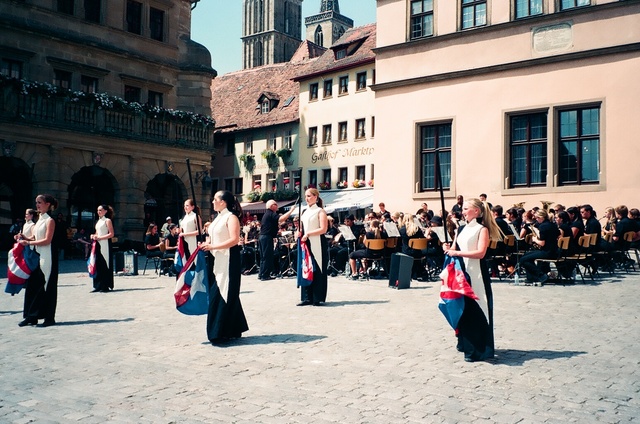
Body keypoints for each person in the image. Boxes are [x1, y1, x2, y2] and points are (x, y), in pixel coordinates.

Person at [442, 198, 502, 362]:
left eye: (466, 208)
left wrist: (457, 253)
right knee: (463, 306)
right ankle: (465, 343)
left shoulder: (482, 229)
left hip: (476, 273)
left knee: (478, 305)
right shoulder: (460, 229)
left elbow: (481, 253)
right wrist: (448, 249)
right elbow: (454, 248)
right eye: (463, 209)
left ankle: (480, 348)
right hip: (461, 272)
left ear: (476, 211)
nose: (463, 211)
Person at [200, 190, 249, 343]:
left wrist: (213, 247)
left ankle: (219, 331)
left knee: (223, 291)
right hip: (216, 259)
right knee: (223, 291)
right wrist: (207, 244)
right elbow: (214, 237)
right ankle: (233, 327)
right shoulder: (217, 218)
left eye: (215, 199)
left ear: (223, 202)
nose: (212, 202)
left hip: (229, 259)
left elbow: (234, 240)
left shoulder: (231, 217)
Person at [18, 194, 59, 327]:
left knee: (47, 285)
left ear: (48, 204)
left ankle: (49, 318)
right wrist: (25, 238)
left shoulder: (50, 220)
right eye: (36, 202)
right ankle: (31, 316)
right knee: (32, 286)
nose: (37, 205)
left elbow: (47, 240)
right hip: (36, 256)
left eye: (40, 202)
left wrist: (29, 242)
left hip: (47, 256)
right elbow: (34, 237)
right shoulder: (39, 220)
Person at [297, 188, 329, 306]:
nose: (307, 198)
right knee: (306, 267)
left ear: (316, 197)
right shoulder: (304, 211)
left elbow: (323, 229)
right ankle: (306, 297)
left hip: (317, 242)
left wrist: (309, 233)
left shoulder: (320, 211)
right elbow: (302, 227)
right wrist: (299, 232)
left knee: (317, 268)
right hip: (306, 242)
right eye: (306, 196)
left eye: (309, 196)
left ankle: (317, 297)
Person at [518, 209, 560, 285]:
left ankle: (541, 275)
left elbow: (542, 243)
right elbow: (558, 235)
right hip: (555, 250)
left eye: (537, 218)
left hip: (547, 252)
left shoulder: (543, 226)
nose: (536, 220)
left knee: (523, 259)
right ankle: (531, 277)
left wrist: (535, 239)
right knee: (526, 256)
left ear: (541, 217)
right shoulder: (553, 224)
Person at [259, 199, 295, 280]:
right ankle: (265, 275)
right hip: (267, 237)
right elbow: (281, 219)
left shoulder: (267, 214)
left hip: (263, 237)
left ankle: (262, 273)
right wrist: (291, 210)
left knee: (263, 256)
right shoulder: (271, 213)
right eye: (276, 204)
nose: (277, 206)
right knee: (267, 256)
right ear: (272, 206)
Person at [90, 204, 115, 292]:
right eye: (98, 210)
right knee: (97, 263)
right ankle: (97, 285)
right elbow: (97, 232)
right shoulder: (98, 221)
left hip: (104, 243)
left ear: (105, 211)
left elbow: (111, 234)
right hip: (97, 243)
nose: (98, 212)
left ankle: (105, 285)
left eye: (100, 210)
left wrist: (100, 238)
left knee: (104, 263)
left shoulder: (107, 221)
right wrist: (94, 235)